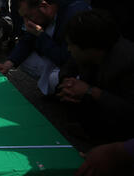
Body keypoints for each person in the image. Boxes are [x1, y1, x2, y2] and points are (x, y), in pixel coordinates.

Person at [0, 0, 90, 95]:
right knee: (22, 59)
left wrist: (40, 35)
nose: (26, 22)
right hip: (59, 58)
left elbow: (66, 59)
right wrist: (7, 64)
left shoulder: (73, 14)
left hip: (78, 68)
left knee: (54, 80)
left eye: (28, 16)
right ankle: (54, 87)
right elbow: (27, 39)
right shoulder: (43, 15)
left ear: (44, 6)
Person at [57, 9, 134, 144]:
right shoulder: (88, 51)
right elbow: (68, 66)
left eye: (71, 45)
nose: (68, 49)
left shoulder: (127, 64)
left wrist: (91, 91)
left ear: (90, 47)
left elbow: (129, 111)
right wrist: (67, 83)